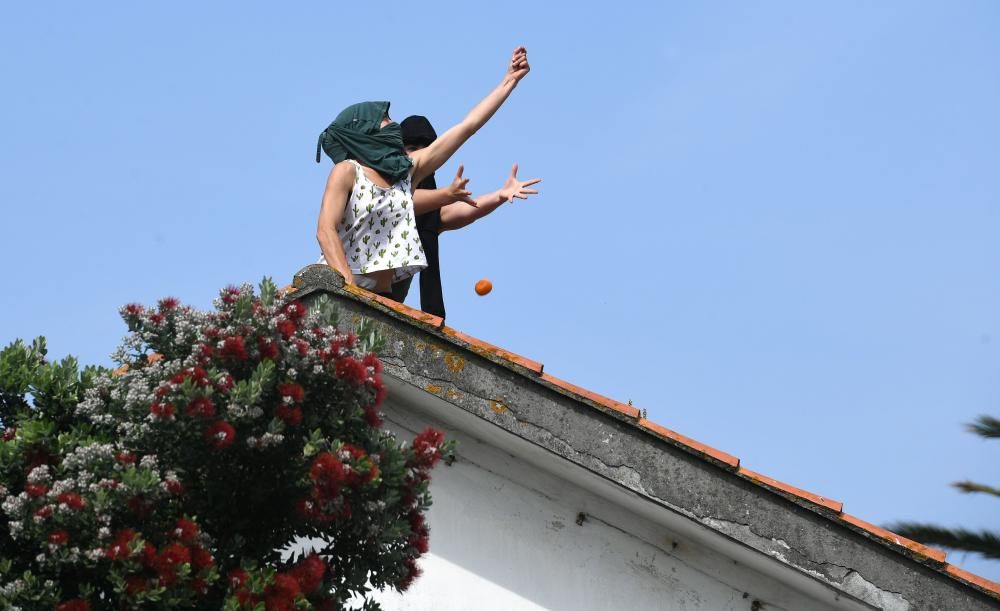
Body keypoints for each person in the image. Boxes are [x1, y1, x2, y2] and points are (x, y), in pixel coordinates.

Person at [315, 47, 531, 298]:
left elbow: (467, 127)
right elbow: (325, 230)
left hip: (385, 298)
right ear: (365, 133)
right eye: (385, 120)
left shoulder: (407, 172)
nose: (394, 125)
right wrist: (349, 290)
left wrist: (509, 81)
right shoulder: (347, 172)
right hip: (342, 292)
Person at [391, 115, 541, 318]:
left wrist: (500, 195)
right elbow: (405, 199)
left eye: (425, 149)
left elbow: (465, 210)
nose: (420, 156)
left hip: (387, 297)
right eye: (412, 149)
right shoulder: (384, 191)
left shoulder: (431, 214)